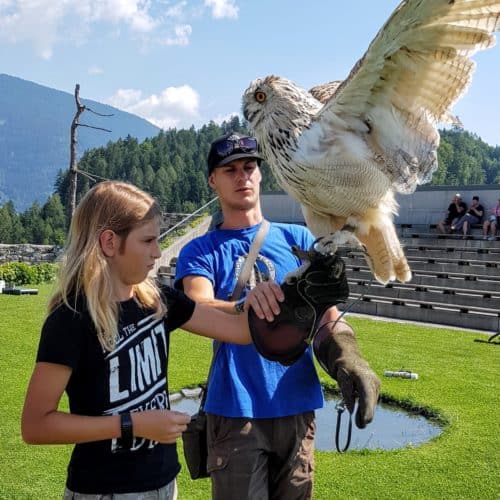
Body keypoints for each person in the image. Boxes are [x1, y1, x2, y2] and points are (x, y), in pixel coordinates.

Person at [21, 181, 263, 500]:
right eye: (148, 240)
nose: (158, 252)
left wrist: (280, 297)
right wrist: (130, 424)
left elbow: (240, 331)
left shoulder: (157, 300)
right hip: (103, 492)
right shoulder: (71, 319)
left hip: (163, 484)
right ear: (109, 242)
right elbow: (35, 425)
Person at [175, 132, 379, 500]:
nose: (242, 176)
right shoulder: (201, 249)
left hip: (297, 406)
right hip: (236, 409)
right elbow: (197, 305)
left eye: (250, 167)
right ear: (213, 180)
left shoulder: (299, 238)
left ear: (260, 174)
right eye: (230, 169)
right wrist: (246, 304)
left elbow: (326, 319)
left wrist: (349, 358)